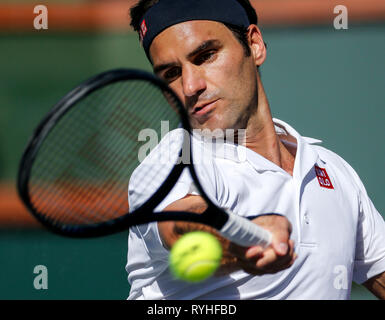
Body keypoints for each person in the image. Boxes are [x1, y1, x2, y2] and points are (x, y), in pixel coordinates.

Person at [126, 0, 385, 300]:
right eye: (171, 73)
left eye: (205, 55)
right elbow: (181, 225)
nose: (190, 86)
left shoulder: (332, 171)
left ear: (255, 44)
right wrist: (240, 241)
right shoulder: (173, 157)